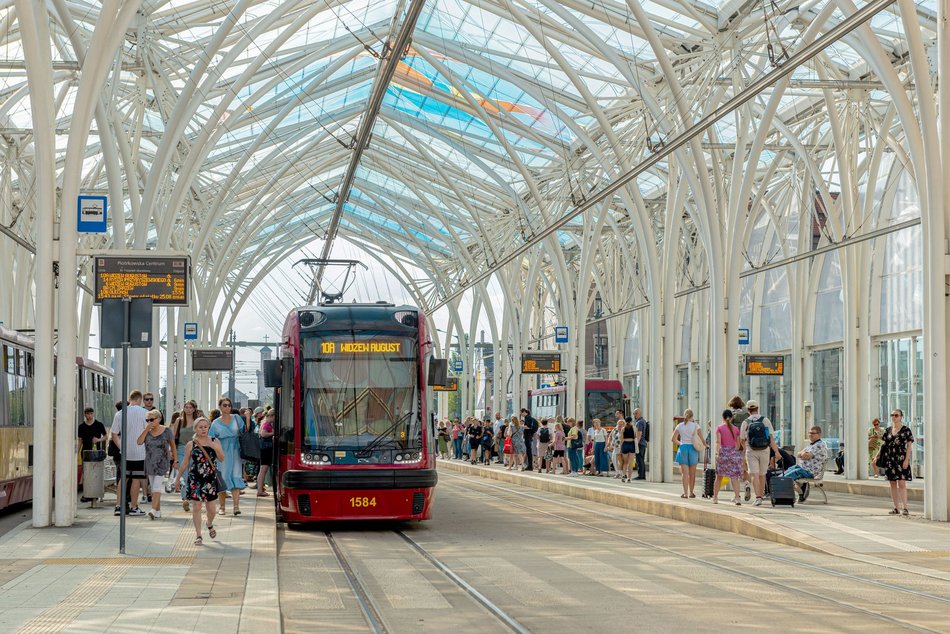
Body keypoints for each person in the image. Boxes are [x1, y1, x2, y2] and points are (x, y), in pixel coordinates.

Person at [174, 418, 224, 546]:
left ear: (208, 428)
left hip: (210, 479)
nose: (203, 429)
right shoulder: (191, 444)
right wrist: (178, 478)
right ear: (195, 428)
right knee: (196, 507)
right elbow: (185, 462)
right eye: (200, 427)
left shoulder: (214, 441)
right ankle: (198, 535)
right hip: (195, 478)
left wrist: (215, 448)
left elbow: (222, 458)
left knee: (211, 509)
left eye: (205, 427)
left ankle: (209, 523)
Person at [111, 390, 150, 516]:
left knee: (123, 479)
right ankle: (134, 507)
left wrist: (121, 447)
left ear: (130, 399)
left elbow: (114, 434)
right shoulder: (145, 413)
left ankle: (118, 506)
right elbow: (148, 433)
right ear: (139, 399)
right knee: (136, 479)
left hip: (125, 453)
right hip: (140, 452)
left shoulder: (120, 414)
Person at [739, 399, 781, 506]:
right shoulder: (765, 420)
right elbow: (771, 438)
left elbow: (742, 440)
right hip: (764, 450)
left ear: (748, 410)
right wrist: (776, 452)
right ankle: (760, 497)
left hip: (751, 450)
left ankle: (757, 497)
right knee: (762, 474)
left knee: (754, 474)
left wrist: (744, 451)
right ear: (758, 408)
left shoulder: (746, 422)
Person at [136, 409, 176, 519]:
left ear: (159, 419)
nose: (149, 422)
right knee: (154, 486)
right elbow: (139, 442)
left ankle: (153, 509)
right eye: (147, 420)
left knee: (157, 486)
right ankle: (158, 511)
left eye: (152, 419)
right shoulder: (147, 431)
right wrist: (146, 429)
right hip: (149, 462)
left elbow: (173, 446)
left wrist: (175, 461)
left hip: (162, 462)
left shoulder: (167, 431)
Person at [209, 397, 246, 515]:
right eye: (224, 405)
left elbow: (245, 432)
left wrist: (249, 418)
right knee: (222, 478)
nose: (227, 407)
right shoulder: (215, 423)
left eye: (229, 405)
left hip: (235, 451)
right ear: (220, 406)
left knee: (236, 476)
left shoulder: (237, 418)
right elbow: (211, 439)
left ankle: (236, 507)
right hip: (222, 452)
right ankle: (222, 507)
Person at [781, 425, 830, 501]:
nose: (810, 435)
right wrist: (803, 454)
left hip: (809, 471)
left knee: (785, 478)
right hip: (801, 468)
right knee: (782, 476)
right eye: (809, 433)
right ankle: (800, 490)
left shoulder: (820, 445)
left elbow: (807, 456)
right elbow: (797, 454)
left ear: (819, 434)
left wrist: (804, 454)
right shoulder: (811, 445)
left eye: (813, 433)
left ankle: (800, 493)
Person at [880, 409, 914, 516]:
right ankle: (896, 508)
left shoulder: (906, 430)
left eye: (896, 415)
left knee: (902, 483)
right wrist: (877, 456)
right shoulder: (888, 430)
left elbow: (909, 447)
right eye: (892, 415)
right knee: (892, 483)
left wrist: (907, 460)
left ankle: (905, 508)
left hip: (901, 459)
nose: (894, 417)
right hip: (890, 459)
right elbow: (884, 446)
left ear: (901, 417)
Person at [672, 408, 705, 498]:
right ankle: (691, 493)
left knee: (684, 473)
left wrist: (681, 443)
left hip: (683, 448)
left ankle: (685, 493)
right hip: (693, 449)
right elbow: (702, 439)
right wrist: (706, 445)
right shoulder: (696, 426)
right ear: (692, 416)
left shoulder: (680, 426)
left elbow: (673, 439)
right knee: (692, 474)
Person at [173, 400, 199, 512]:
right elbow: (173, 438)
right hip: (181, 449)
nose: (188, 409)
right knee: (184, 474)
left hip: (195, 449)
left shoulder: (197, 422)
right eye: (186, 407)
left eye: (190, 407)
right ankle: (185, 498)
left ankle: (193, 496)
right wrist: (173, 454)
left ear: (194, 409)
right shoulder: (179, 421)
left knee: (194, 475)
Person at [713, 409, 743, 505]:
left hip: (723, 454)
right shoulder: (736, 429)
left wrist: (717, 453)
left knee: (719, 477)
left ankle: (715, 498)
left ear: (723, 417)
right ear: (732, 417)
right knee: (734, 477)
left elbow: (718, 442)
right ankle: (737, 498)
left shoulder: (719, 428)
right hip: (734, 454)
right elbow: (738, 445)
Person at [78, 407, 107, 501]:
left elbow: (106, 436)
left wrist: (98, 440)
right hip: (85, 452)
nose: (89, 416)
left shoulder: (99, 424)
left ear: (93, 414)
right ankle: (86, 494)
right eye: (87, 414)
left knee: (95, 473)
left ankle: (94, 493)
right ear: (85, 414)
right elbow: (80, 440)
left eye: (91, 413)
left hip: (96, 453)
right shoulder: (81, 427)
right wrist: (77, 452)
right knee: (85, 473)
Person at [257, 410, 275, 496]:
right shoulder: (266, 424)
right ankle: (260, 490)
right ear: (271, 416)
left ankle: (260, 488)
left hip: (264, 448)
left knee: (263, 470)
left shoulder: (264, 422)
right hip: (266, 449)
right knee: (263, 469)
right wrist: (273, 433)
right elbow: (263, 434)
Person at [619, 417, 637, 482]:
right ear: (631, 421)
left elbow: (621, 439)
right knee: (630, 462)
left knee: (625, 462)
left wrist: (620, 448)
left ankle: (624, 476)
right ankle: (629, 478)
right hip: (632, 444)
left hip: (625, 444)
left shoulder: (623, 429)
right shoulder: (634, 428)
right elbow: (636, 437)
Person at [633, 408, 649, 480]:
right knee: (641, 459)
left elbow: (639, 433)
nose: (634, 415)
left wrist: (636, 443)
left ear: (637, 413)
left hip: (640, 443)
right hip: (643, 443)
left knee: (639, 460)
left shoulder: (639, 422)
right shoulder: (643, 421)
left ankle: (641, 476)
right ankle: (642, 475)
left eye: (634, 413)